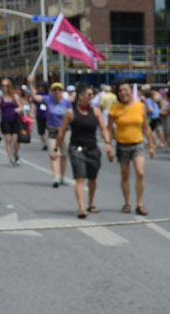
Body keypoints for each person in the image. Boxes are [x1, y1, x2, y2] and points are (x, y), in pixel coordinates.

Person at [53, 85, 112, 218]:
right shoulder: (70, 113)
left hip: (93, 149)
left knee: (92, 179)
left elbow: (103, 128)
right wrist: (55, 149)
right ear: (81, 96)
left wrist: (108, 144)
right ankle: (81, 207)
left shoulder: (96, 112)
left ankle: (90, 203)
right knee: (80, 178)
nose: (91, 98)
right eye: (89, 95)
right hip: (77, 149)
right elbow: (62, 131)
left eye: (92, 95)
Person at [106, 81, 155, 215]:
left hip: (137, 144)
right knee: (125, 175)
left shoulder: (140, 107)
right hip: (122, 145)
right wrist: (108, 145)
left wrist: (151, 145)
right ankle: (127, 202)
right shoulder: (115, 108)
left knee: (140, 173)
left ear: (131, 91)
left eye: (125, 90)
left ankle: (139, 204)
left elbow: (146, 127)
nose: (123, 92)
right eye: (120, 90)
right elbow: (109, 129)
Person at [34, 82, 72, 187]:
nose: (57, 92)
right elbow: (34, 97)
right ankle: (55, 177)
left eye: (59, 90)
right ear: (51, 92)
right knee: (54, 154)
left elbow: (72, 116)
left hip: (64, 131)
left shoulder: (66, 103)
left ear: (62, 91)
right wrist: (31, 83)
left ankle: (63, 177)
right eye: (54, 90)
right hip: (52, 130)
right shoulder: (48, 100)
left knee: (64, 154)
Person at [0, 78, 23, 166]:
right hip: (5, 121)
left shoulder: (15, 96)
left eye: (6, 85)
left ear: (10, 86)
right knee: (8, 141)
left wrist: (17, 110)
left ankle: (15, 154)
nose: (5, 87)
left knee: (15, 141)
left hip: (15, 121)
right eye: (3, 85)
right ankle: (11, 158)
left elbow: (21, 107)